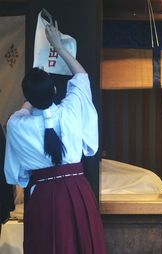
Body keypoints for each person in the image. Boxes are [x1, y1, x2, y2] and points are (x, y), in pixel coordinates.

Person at [4, 23, 106, 254]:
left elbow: (16, 177)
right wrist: (59, 47)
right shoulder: (70, 112)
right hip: (77, 190)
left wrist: (36, 85)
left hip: (42, 198)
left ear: (27, 97)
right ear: (54, 92)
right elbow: (81, 76)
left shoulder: (16, 125)